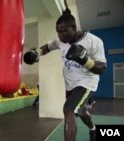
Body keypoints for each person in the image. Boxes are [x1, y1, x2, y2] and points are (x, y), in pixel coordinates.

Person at [23, 5, 107, 141]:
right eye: (58, 32)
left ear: (74, 28)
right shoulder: (61, 41)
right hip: (70, 83)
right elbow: (48, 47)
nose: (61, 36)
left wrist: (85, 60)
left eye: (64, 32)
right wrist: (36, 52)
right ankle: (93, 129)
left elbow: (102, 69)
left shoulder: (94, 41)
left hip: (86, 82)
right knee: (81, 111)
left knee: (69, 109)